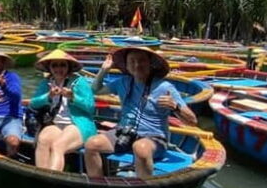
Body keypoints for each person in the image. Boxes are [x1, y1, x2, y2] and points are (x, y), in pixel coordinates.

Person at [84, 46, 197, 179]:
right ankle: (98, 184)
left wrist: (175, 107)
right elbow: (95, 90)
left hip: (154, 137)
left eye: (141, 60)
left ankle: (145, 187)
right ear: (127, 65)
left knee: (141, 148)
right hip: (124, 133)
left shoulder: (164, 87)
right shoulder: (123, 82)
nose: (137, 65)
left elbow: (192, 121)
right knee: (91, 144)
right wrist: (103, 70)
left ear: (150, 64)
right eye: (132, 61)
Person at [29, 49, 96, 171]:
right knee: (42, 141)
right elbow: (34, 103)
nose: (58, 68)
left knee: (58, 145)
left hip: (77, 124)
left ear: (68, 67)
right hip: (56, 124)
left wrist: (73, 97)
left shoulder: (79, 82)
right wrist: (48, 96)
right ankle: (42, 177)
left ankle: (52, 179)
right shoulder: (47, 83)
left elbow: (90, 107)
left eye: (62, 65)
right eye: (54, 65)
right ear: (49, 68)